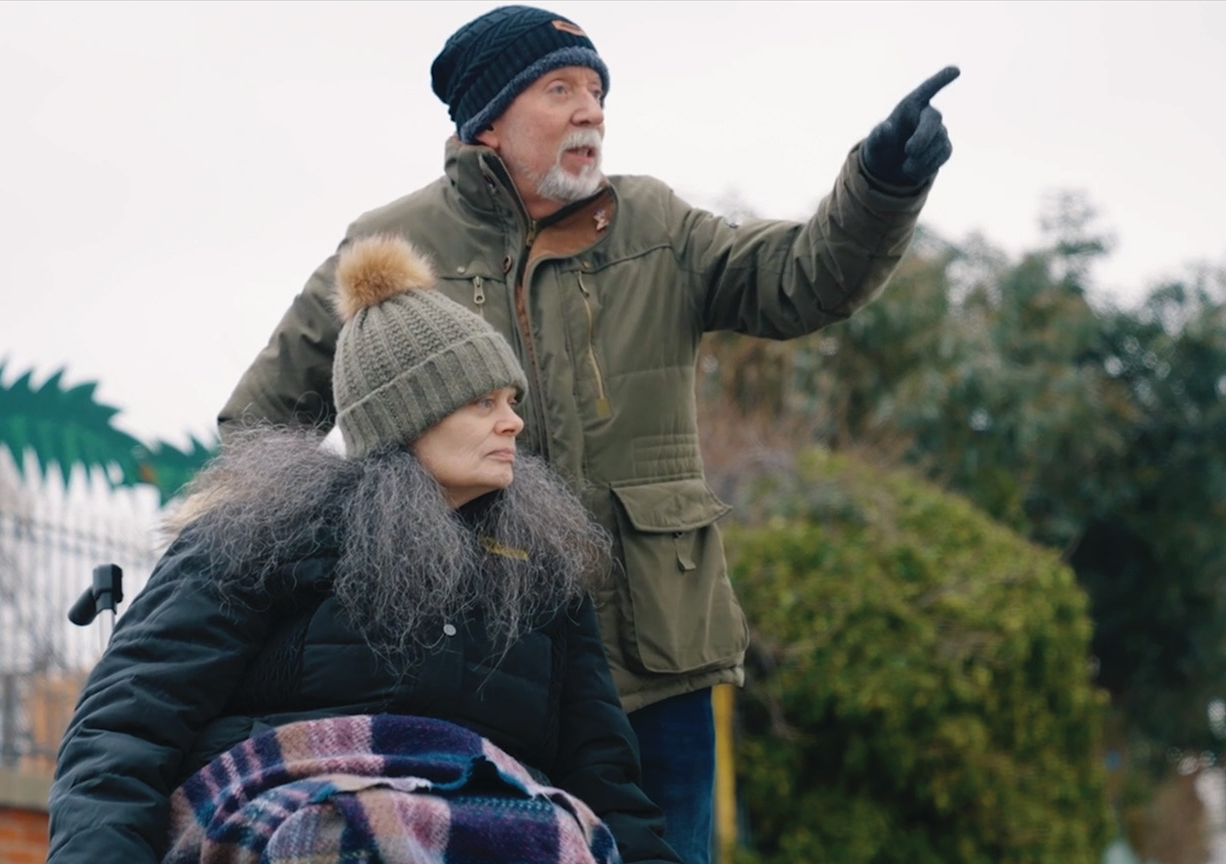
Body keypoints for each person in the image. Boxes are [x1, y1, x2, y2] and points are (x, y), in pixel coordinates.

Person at [217, 6, 958, 861]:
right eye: (560, 89)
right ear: (487, 120)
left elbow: (804, 279)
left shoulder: (654, 223)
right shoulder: (392, 244)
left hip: (657, 664)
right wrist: (362, 551)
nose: (591, 112)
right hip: (484, 670)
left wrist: (883, 182)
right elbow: (259, 427)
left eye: (598, 91)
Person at [48, 234, 680, 864]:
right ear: (409, 415)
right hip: (297, 816)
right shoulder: (261, 535)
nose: (512, 422)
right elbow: (124, 731)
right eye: (483, 402)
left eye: (510, 402)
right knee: (360, 829)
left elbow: (608, 784)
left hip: (493, 825)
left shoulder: (541, 575)